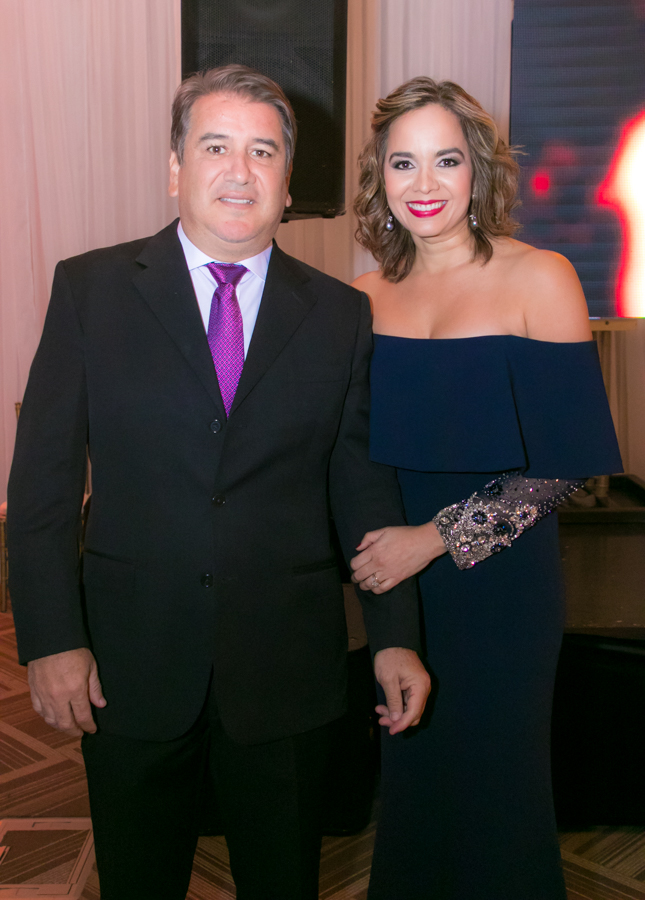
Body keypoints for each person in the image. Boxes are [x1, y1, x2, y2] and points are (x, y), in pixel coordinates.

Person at [7, 65, 431, 900]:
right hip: (128, 665)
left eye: (262, 151)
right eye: (215, 147)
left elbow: (361, 489)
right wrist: (51, 639)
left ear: (287, 181)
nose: (240, 171)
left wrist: (393, 635)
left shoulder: (340, 315)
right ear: (175, 167)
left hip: (286, 671)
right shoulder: (90, 290)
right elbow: (44, 485)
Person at [350, 77, 622, 900]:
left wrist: (431, 539)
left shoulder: (539, 276)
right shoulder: (360, 298)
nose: (423, 183)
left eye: (445, 160)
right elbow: (355, 459)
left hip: (502, 590)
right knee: (413, 793)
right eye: (403, 162)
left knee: (499, 795)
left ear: (478, 169)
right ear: (379, 176)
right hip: (399, 593)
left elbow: (564, 464)